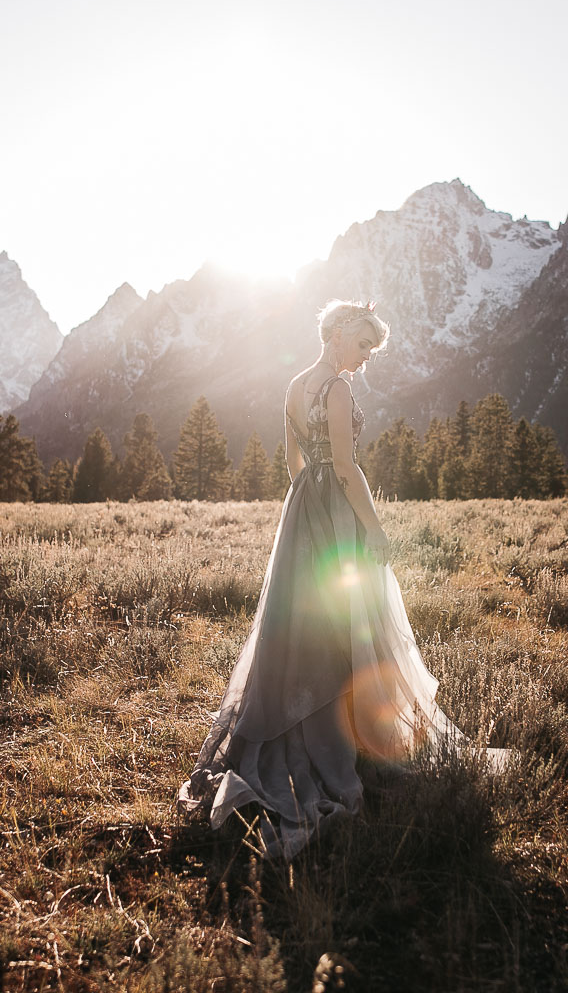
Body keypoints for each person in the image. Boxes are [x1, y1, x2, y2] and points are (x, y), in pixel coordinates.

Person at [178, 300, 472, 858]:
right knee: (347, 620)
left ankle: (306, 721)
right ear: (337, 335)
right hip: (335, 511)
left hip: (301, 513)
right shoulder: (336, 390)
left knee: (299, 623)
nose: (364, 359)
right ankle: (347, 736)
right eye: (363, 345)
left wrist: (305, 513)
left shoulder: (293, 386)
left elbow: (295, 463)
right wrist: (372, 526)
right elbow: (345, 465)